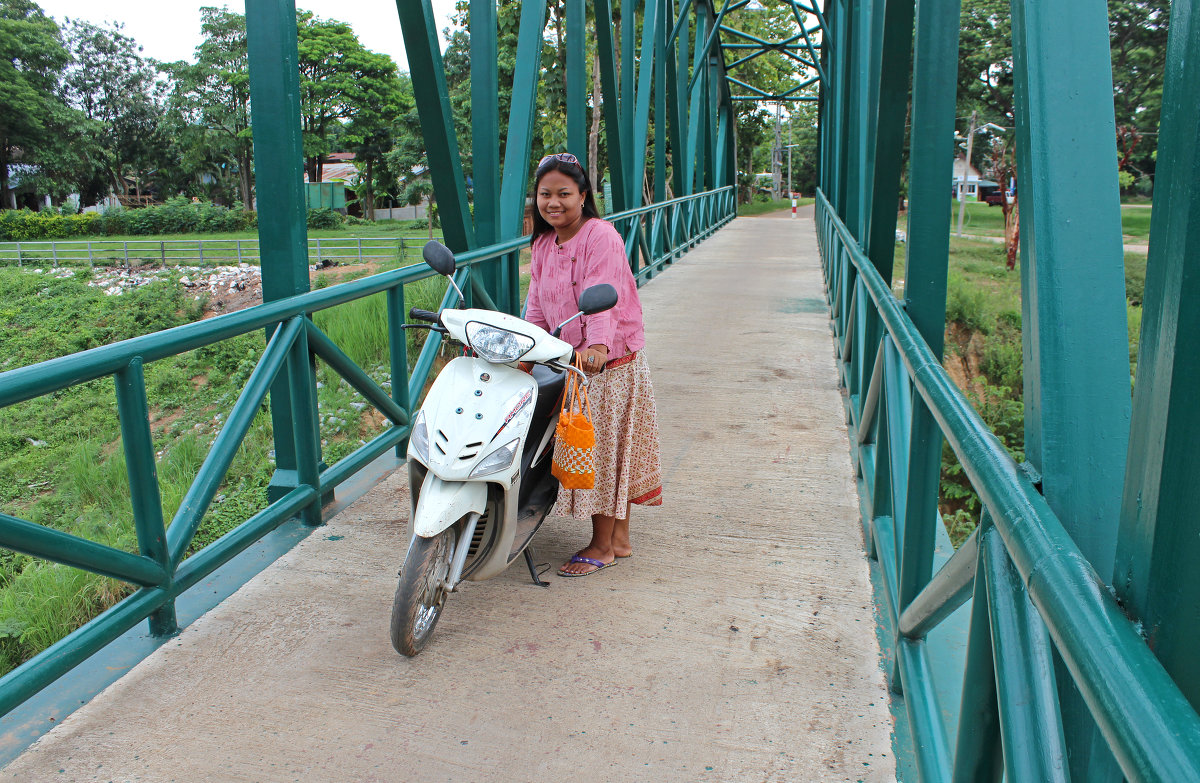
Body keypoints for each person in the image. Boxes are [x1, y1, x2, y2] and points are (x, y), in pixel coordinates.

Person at [523, 152, 663, 577]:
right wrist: (525, 350)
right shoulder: (544, 243)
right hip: (573, 363)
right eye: (545, 194)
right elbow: (537, 306)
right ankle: (618, 539)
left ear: (583, 195)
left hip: (607, 364)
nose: (554, 203)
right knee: (608, 450)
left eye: (564, 193)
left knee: (601, 453)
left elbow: (603, 293)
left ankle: (602, 546)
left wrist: (598, 348)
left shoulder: (599, 236)